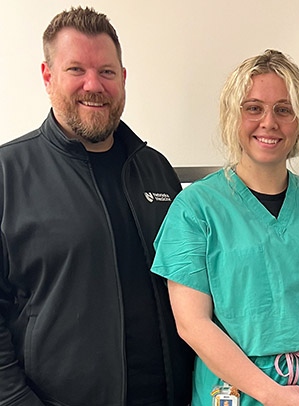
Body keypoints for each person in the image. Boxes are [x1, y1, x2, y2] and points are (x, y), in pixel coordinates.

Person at [151, 49, 299, 406]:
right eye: (253, 108)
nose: (269, 122)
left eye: (284, 110)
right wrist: (274, 395)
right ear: (233, 117)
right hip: (236, 391)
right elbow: (192, 324)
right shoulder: (196, 210)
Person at [0, 6, 193, 406]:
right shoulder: (8, 174)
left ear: (123, 79)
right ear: (47, 76)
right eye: (76, 70)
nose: (94, 85)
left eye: (106, 72)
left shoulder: (154, 169)